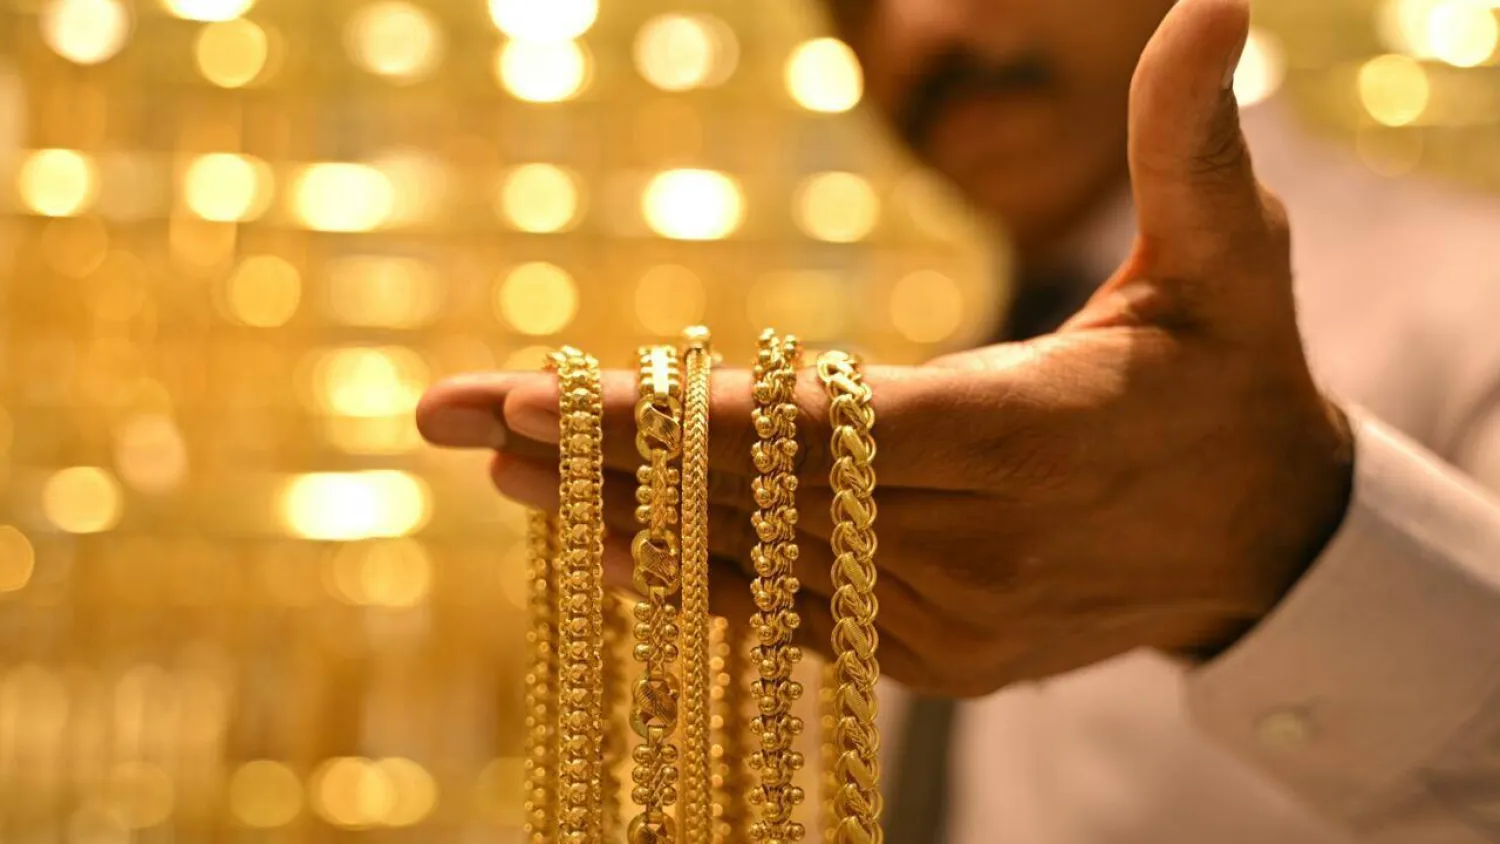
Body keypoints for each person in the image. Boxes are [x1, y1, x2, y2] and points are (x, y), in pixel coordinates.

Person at [416, 0, 1500, 840]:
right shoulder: (891, 430)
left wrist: (1296, 548)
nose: (922, 26)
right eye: (855, 1)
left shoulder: (1474, 294)